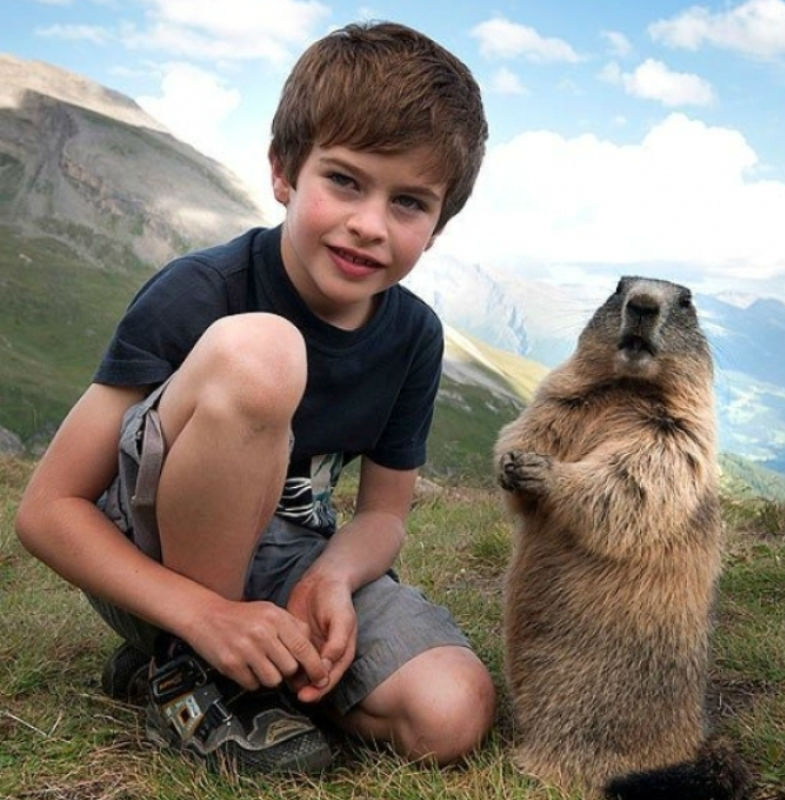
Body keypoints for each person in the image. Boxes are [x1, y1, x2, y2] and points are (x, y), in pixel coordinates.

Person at [15, 20, 495, 776]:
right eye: (344, 180)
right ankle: (190, 667)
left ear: (437, 227)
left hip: (286, 561)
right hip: (154, 562)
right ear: (283, 173)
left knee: (450, 713)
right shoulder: (201, 291)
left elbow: (381, 514)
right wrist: (205, 617)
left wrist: (329, 578)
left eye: (409, 202)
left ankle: (234, 665)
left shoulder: (413, 337)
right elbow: (47, 512)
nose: (369, 225)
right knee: (265, 351)